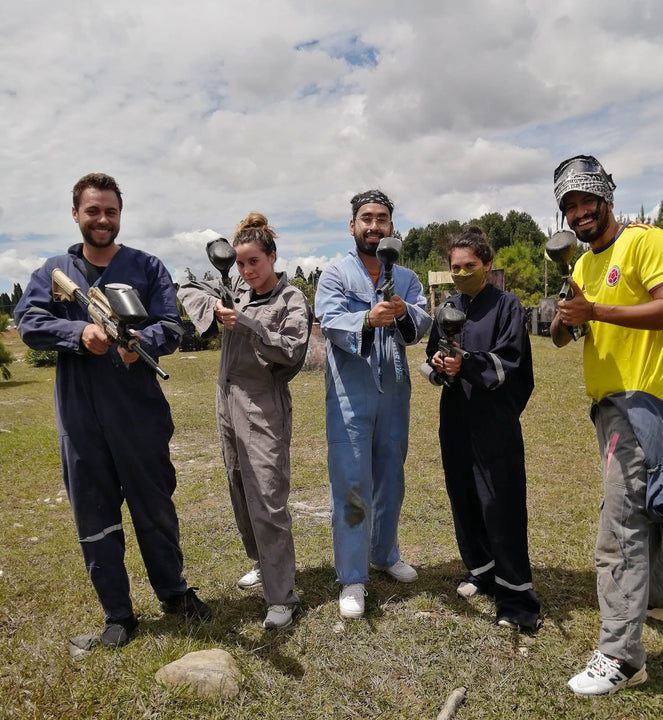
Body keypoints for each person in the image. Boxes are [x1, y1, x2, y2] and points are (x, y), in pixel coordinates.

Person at [14, 173, 211, 649]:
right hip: (81, 420)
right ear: (76, 214)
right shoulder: (53, 271)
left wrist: (141, 343)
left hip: (139, 414)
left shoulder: (147, 265)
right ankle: (118, 614)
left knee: (156, 509)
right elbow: (27, 321)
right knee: (95, 514)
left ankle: (173, 593)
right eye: (93, 210)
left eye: (111, 211)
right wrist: (79, 334)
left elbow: (173, 325)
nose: (103, 219)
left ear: (120, 215)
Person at [549, 155, 663, 696]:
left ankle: (621, 657)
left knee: (620, 529)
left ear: (607, 195)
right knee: (649, 506)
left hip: (640, 402)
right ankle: (661, 600)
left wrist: (598, 312)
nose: (580, 212)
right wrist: (567, 315)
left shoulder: (646, 242)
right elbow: (564, 337)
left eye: (587, 200)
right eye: (570, 206)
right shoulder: (582, 266)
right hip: (613, 404)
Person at [178, 213, 311, 630]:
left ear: (272, 257)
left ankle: (281, 596)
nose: (247, 271)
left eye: (254, 261)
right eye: (240, 263)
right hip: (226, 401)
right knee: (238, 489)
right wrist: (211, 308)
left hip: (263, 406)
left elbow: (293, 352)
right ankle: (262, 563)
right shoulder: (235, 288)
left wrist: (249, 325)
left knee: (268, 498)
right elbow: (185, 283)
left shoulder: (290, 299)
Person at [314, 189, 432, 619]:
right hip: (352, 392)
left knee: (390, 477)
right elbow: (329, 321)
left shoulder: (407, 277)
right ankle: (352, 578)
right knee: (350, 482)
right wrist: (366, 318)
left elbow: (421, 322)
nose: (374, 226)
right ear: (352, 226)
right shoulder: (335, 274)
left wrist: (402, 314)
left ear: (391, 228)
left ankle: (385, 553)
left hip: (395, 392)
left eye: (382, 219)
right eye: (366, 218)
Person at [424, 226, 540, 632]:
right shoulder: (448, 307)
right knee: (464, 495)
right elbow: (433, 353)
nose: (460, 273)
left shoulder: (508, 306)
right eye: (455, 267)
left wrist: (467, 363)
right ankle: (482, 569)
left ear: (487, 265)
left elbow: (510, 361)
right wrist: (440, 365)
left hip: (493, 421)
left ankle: (516, 597)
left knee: (500, 503)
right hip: (455, 417)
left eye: (469, 266)